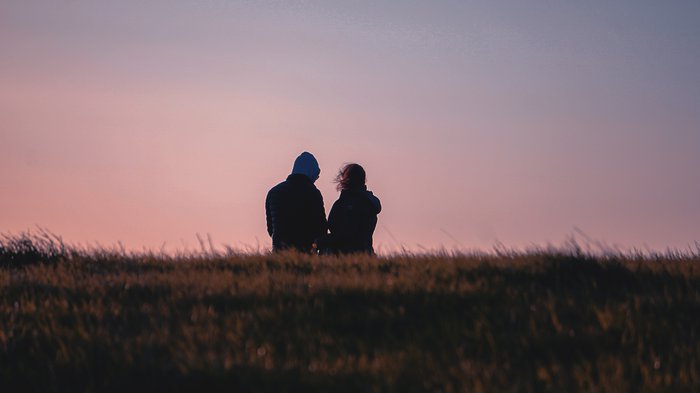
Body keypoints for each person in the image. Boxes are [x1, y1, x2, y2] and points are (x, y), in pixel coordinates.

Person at [265, 152, 327, 252]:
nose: (315, 179)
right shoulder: (312, 193)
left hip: (279, 251)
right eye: (316, 175)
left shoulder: (274, 192)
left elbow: (270, 229)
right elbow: (320, 228)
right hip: (305, 252)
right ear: (310, 171)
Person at [324, 163, 381, 254]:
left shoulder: (346, 203)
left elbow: (346, 235)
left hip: (342, 256)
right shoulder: (368, 203)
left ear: (346, 179)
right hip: (366, 254)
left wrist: (321, 241)